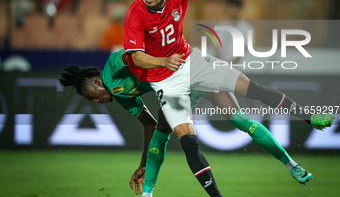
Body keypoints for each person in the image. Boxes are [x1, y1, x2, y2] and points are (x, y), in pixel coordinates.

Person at [123, 0, 334, 196]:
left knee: (250, 92)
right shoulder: (135, 14)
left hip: (191, 61)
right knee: (185, 140)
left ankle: (301, 139)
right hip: (166, 81)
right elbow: (136, 58)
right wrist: (163, 62)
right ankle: (151, 194)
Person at [58, 49, 334, 197]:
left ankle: (295, 158)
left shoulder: (112, 67)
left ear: (95, 83)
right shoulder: (123, 99)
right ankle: (149, 193)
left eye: (91, 96)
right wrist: (142, 164)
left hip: (192, 68)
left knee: (245, 112)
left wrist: (159, 59)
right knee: (164, 134)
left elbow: (133, 54)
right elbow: (148, 124)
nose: (94, 101)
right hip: (174, 90)